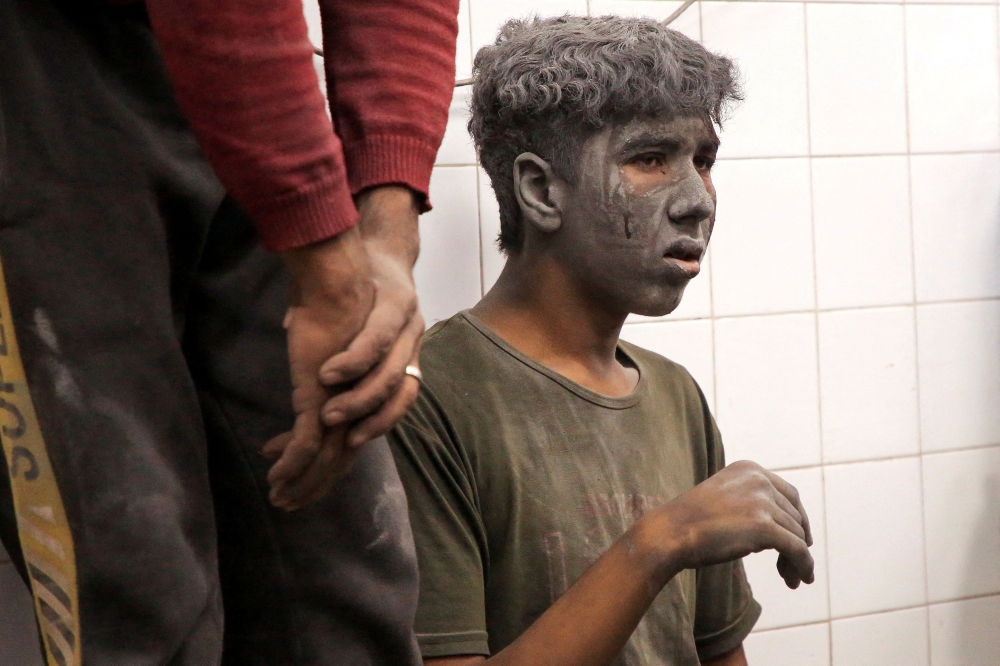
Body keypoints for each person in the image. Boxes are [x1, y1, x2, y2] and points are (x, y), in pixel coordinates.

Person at [0, 0, 458, 664]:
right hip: (32, 71)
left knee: (349, 583)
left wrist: (387, 226)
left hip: (242, 66)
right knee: (135, 583)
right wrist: (326, 264)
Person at [387, 16, 815, 666]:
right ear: (539, 190)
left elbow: (718, 652)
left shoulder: (674, 395)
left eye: (704, 160)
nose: (697, 200)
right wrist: (665, 539)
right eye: (650, 159)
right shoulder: (428, 398)